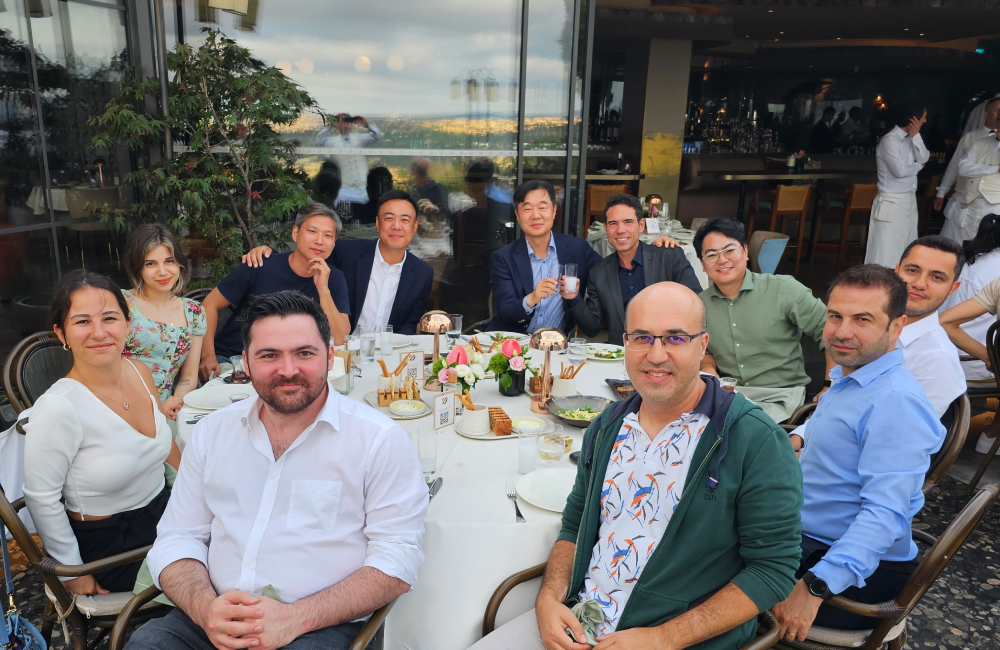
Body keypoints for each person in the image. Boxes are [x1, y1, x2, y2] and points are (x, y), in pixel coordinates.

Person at [472, 282, 803, 650]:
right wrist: (548, 600)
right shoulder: (608, 424)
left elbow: (772, 570)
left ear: (703, 345)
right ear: (625, 342)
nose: (656, 355)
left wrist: (664, 638)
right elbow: (575, 523)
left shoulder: (753, 440)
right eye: (642, 337)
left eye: (675, 338)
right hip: (578, 622)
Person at [128, 291, 429, 650]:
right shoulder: (213, 432)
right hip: (215, 614)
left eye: (305, 353)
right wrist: (205, 608)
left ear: (331, 356)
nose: (288, 369)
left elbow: (397, 558)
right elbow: (178, 537)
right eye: (269, 355)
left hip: (318, 623)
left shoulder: (378, 440)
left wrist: (295, 618)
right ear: (245, 363)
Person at [776, 266, 944, 640]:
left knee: (701, 579)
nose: (842, 331)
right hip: (814, 537)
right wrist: (799, 438)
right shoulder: (857, 377)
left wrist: (816, 586)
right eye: (835, 316)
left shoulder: (894, 402)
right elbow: (838, 430)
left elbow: (885, 515)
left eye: (862, 319)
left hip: (848, 571)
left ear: (896, 326)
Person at [23, 270, 180, 595]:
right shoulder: (58, 407)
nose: (99, 332)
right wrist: (72, 571)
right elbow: (42, 499)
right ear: (61, 332)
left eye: (110, 318)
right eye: (82, 322)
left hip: (166, 516)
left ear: (127, 323)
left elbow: (168, 449)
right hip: (113, 547)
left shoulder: (139, 372)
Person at [694, 217, 831, 422]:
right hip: (730, 396)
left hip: (782, 398)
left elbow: (830, 331)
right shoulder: (698, 306)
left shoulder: (783, 289)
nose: (722, 260)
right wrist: (708, 369)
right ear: (703, 265)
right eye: (711, 255)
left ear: (746, 252)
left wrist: (831, 385)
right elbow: (704, 349)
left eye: (730, 251)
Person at [242, 190, 434, 336]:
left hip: (386, 355)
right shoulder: (346, 253)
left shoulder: (422, 273)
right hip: (340, 348)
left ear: (415, 226)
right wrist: (270, 255)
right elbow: (306, 260)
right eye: (389, 218)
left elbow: (410, 323)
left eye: (405, 220)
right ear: (377, 223)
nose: (396, 226)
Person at [198, 203, 351, 380]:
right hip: (235, 362)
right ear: (295, 233)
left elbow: (339, 337)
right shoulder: (261, 265)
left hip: (289, 367)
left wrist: (323, 289)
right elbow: (209, 304)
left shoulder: (333, 278)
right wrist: (208, 356)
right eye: (312, 231)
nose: (319, 240)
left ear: (333, 243)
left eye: (328, 235)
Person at [569, 193, 702, 345]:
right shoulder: (598, 273)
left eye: (628, 222)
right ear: (605, 229)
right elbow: (592, 329)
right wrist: (574, 299)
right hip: (621, 355)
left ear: (641, 225)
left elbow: (696, 304)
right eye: (613, 223)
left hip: (667, 351)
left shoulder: (669, 257)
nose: (620, 230)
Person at [489, 180, 602, 334]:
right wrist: (531, 299)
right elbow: (505, 313)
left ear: (554, 211)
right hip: (513, 345)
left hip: (554, 346)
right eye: (527, 209)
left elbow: (607, 273)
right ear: (517, 215)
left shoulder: (578, 249)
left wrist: (575, 298)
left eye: (542, 207)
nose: (536, 215)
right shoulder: (504, 258)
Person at [121, 224, 206, 420]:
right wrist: (156, 406)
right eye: (150, 264)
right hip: (124, 410)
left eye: (169, 261)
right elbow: (106, 371)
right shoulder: (121, 304)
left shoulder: (194, 312)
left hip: (168, 411)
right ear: (138, 267)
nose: (163, 271)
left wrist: (176, 402)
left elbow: (189, 376)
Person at [892, 236, 966, 417]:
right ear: (896, 272)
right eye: (912, 270)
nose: (919, 284)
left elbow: (904, 436)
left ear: (952, 289)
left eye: (937, 277)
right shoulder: (874, 324)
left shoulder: (937, 360)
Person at [940, 214, 1000, 394]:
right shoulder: (995, 275)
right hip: (975, 364)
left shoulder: (981, 259)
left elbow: (944, 321)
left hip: (953, 356)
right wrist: (991, 358)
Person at [865, 101, 929, 267]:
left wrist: (916, 137)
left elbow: (924, 157)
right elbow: (900, 171)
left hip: (908, 199)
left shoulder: (911, 139)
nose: (925, 121)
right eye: (923, 118)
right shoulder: (889, 141)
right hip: (891, 201)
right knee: (885, 248)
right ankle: (878, 285)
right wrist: (918, 166)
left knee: (907, 246)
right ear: (913, 119)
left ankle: (899, 286)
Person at [937, 96, 1000, 243]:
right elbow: (958, 167)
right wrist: (942, 191)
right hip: (965, 200)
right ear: (987, 115)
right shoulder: (975, 140)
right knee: (954, 245)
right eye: (997, 112)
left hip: (993, 206)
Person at [314, 113, 382, 212]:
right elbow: (318, 142)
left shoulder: (360, 139)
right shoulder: (331, 142)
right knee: (345, 213)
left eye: (348, 122)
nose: (345, 125)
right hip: (344, 188)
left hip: (363, 186)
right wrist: (330, 126)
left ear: (352, 124)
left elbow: (378, 137)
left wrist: (367, 125)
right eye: (342, 122)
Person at [952, 125, 1000, 243]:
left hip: (996, 204)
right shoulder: (979, 143)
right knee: (966, 242)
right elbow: (962, 168)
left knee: (992, 246)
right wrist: (994, 169)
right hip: (972, 201)